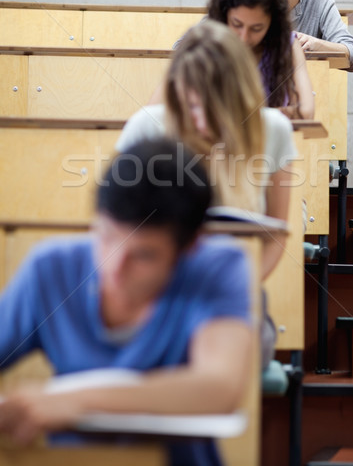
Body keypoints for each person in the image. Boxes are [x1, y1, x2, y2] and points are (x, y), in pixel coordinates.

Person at [0, 137, 253, 466]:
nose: (113, 268)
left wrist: (73, 401)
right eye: (105, 238)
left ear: (189, 247)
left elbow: (218, 387)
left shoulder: (216, 268)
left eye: (143, 255)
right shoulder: (51, 269)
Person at [117, 20, 297, 281]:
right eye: (190, 105)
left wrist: (235, 290)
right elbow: (117, 227)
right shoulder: (146, 126)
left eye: (216, 109)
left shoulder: (273, 129)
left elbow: (276, 235)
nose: (202, 122)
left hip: (235, 282)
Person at [169, 0, 314, 120]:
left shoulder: (288, 45)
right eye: (237, 24)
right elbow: (165, 109)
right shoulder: (206, 41)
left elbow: (306, 112)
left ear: (272, 24)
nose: (244, 37)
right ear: (224, 16)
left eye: (256, 28)